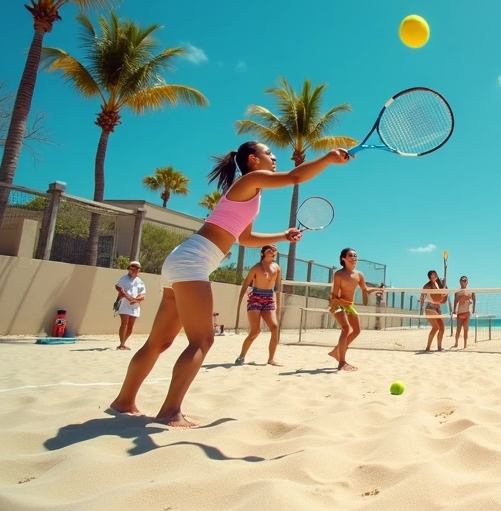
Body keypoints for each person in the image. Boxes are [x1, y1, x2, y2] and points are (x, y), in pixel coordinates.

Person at [108, 141, 350, 427]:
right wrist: (328, 158)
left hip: (183, 260)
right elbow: (295, 177)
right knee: (203, 340)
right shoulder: (251, 179)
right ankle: (170, 412)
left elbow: (244, 238)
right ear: (253, 159)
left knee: (159, 342)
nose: (274, 157)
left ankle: (124, 402)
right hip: (192, 262)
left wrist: (283, 236)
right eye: (268, 153)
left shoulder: (252, 192)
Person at [328, 247, 378, 371]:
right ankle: (342, 362)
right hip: (338, 303)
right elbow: (334, 293)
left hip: (349, 305)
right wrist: (333, 306)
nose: (354, 257)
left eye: (355, 255)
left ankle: (336, 351)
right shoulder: (338, 274)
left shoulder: (359, 274)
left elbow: (364, 289)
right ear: (343, 259)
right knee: (346, 329)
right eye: (351, 255)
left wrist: (375, 290)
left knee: (356, 330)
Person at [235, 245, 283, 366]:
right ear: (263, 253)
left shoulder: (277, 268)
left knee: (275, 327)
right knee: (255, 331)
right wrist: (239, 300)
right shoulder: (256, 268)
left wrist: (278, 305)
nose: (271, 251)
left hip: (268, 298)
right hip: (255, 297)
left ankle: (271, 359)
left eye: (273, 250)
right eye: (268, 250)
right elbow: (246, 284)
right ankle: (241, 356)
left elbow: (278, 288)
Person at [114, 261, 146, 350]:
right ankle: (121, 344)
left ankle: (123, 343)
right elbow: (118, 288)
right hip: (124, 304)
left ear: (138, 269)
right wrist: (128, 297)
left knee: (130, 326)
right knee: (124, 323)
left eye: (136, 268)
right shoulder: (124, 278)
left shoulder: (140, 282)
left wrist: (135, 300)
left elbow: (142, 295)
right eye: (132, 267)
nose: (133, 269)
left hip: (135, 306)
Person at [419, 270, 448, 352]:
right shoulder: (427, 286)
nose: (433, 277)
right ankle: (429, 347)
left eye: (434, 275)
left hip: (438, 307)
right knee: (437, 327)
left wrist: (444, 290)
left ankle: (437, 347)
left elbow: (443, 299)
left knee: (440, 328)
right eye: (431, 276)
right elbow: (422, 297)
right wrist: (421, 310)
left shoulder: (439, 285)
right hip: (430, 307)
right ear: (429, 277)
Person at [451, 276, 475, 349]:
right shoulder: (457, 292)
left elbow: (474, 299)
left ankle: (465, 345)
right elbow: (455, 301)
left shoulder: (470, 291)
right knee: (458, 329)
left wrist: (473, 309)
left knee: (466, 329)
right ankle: (456, 343)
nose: (464, 282)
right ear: (460, 281)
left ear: (467, 282)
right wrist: (454, 311)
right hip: (460, 313)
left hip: (467, 313)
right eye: (462, 280)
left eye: (465, 280)